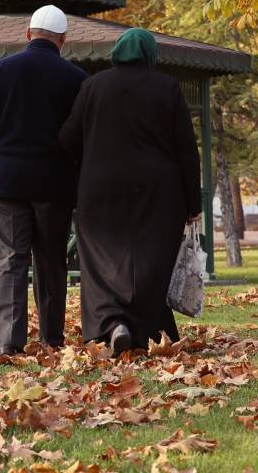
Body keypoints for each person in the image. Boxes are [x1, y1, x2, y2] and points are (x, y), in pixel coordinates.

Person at [59, 28, 201, 355]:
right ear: (150, 55)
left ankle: (111, 323)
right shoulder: (166, 87)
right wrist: (193, 201)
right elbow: (185, 150)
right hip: (158, 193)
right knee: (151, 261)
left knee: (102, 261)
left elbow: (67, 139)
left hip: (100, 190)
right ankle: (146, 329)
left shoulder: (92, 86)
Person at [0, 4, 87, 355]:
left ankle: (8, 342)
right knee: (51, 262)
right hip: (54, 185)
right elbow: (80, 133)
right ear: (63, 39)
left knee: (8, 262)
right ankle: (51, 340)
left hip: (7, 183)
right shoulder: (76, 78)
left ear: (28, 34)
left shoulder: (0, 70)